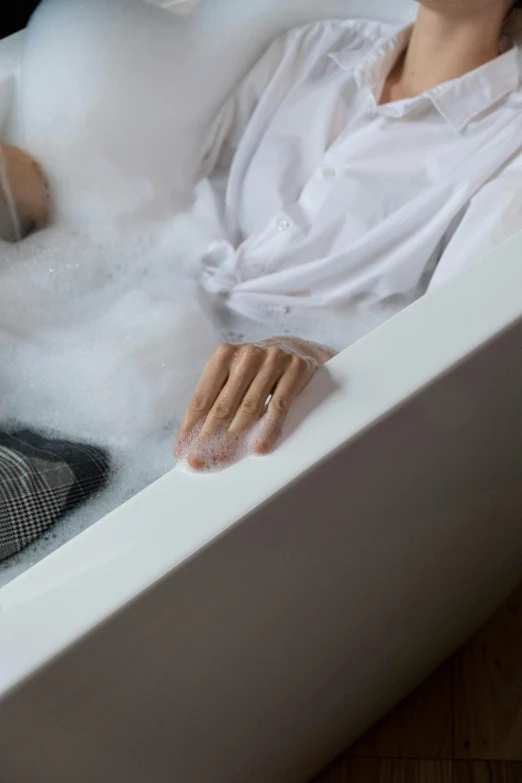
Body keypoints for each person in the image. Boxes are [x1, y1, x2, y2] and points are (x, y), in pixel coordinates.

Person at [3, 0, 522, 472]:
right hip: (88, 336)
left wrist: (309, 351)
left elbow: (453, 356)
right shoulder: (313, 48)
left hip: (233, 426)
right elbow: (131, 196)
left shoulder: (508, 148)